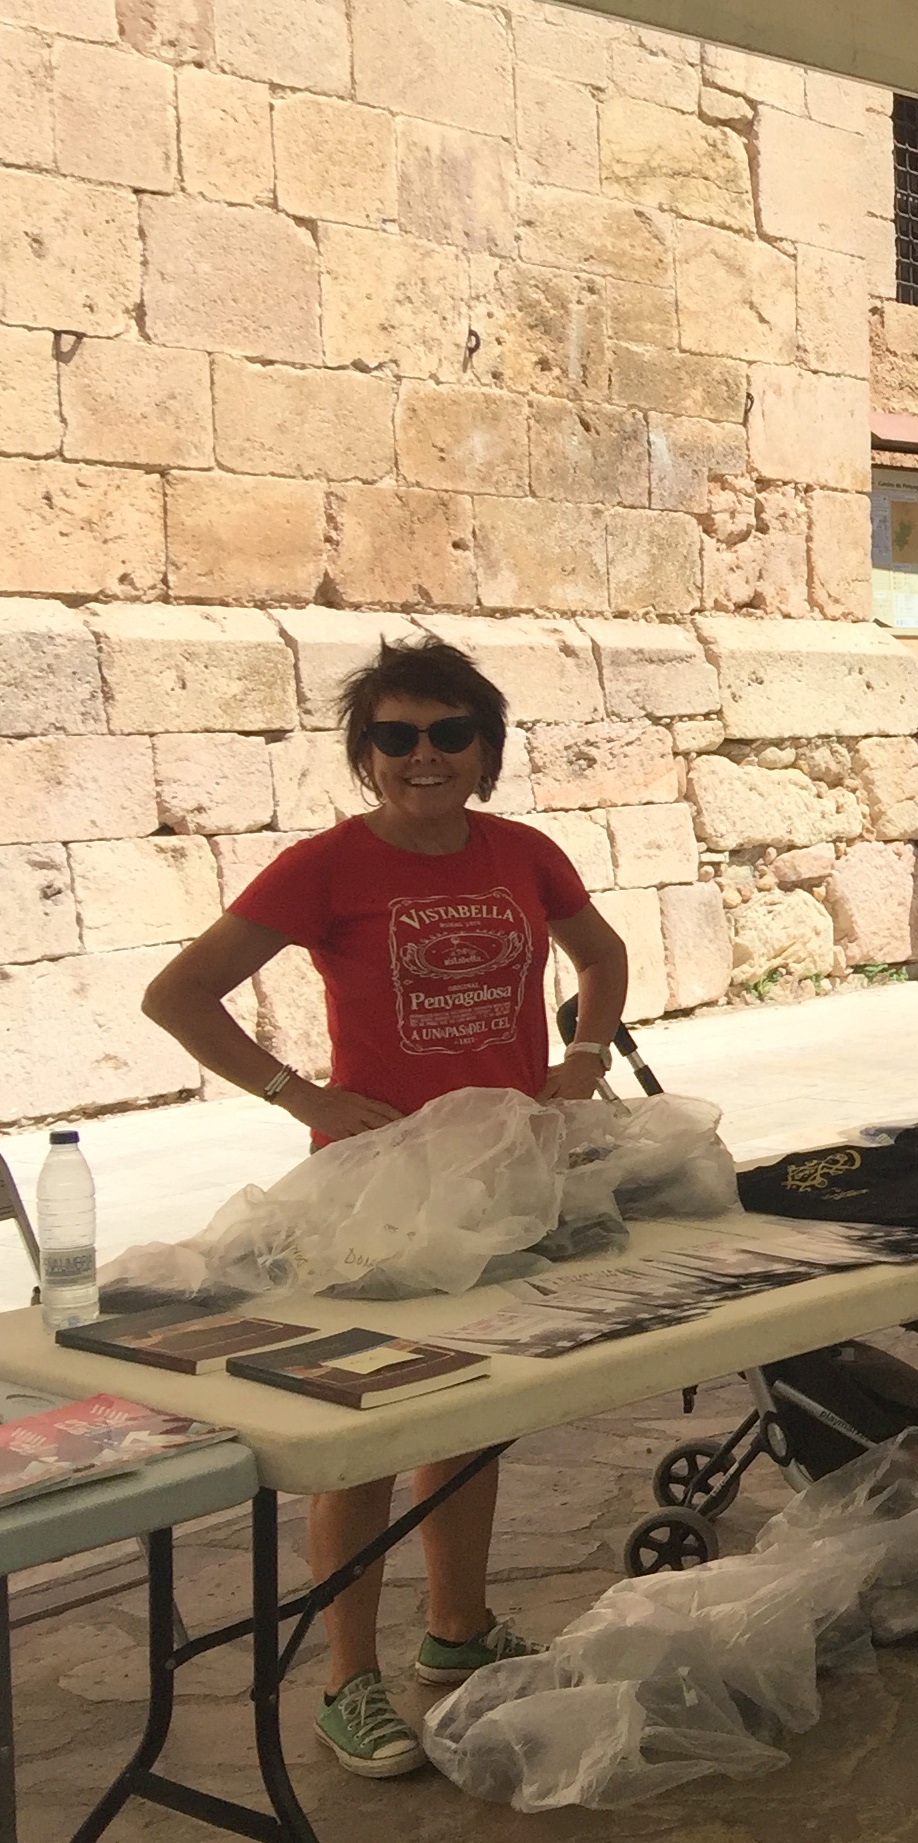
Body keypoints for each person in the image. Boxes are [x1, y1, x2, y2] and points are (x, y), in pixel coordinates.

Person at [143, 638, 629, 1779]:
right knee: (365, 1429)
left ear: (485, 749)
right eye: (396, 736)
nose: (425, 756)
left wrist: (584, 1056)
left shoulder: (524, 853)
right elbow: (179, 994)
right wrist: (297, 1092)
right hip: (375, 1193)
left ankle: (456, 1627)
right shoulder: (324, 867)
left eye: (450, 733)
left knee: (471, 1412)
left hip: (502, 1178)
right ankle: (345, 1679)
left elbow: (599, 957)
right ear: (364, 753)